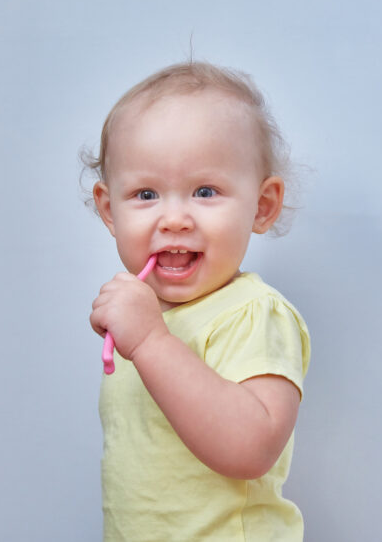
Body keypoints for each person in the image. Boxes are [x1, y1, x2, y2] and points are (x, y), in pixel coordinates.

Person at [84, 61, 311, 541]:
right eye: (146, 194)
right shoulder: (145, 315)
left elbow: (251, 449)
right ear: (109, 210)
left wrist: (150, 342)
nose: (174, 219)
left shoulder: (252, 312)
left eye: (205, 191)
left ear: (262, 206)